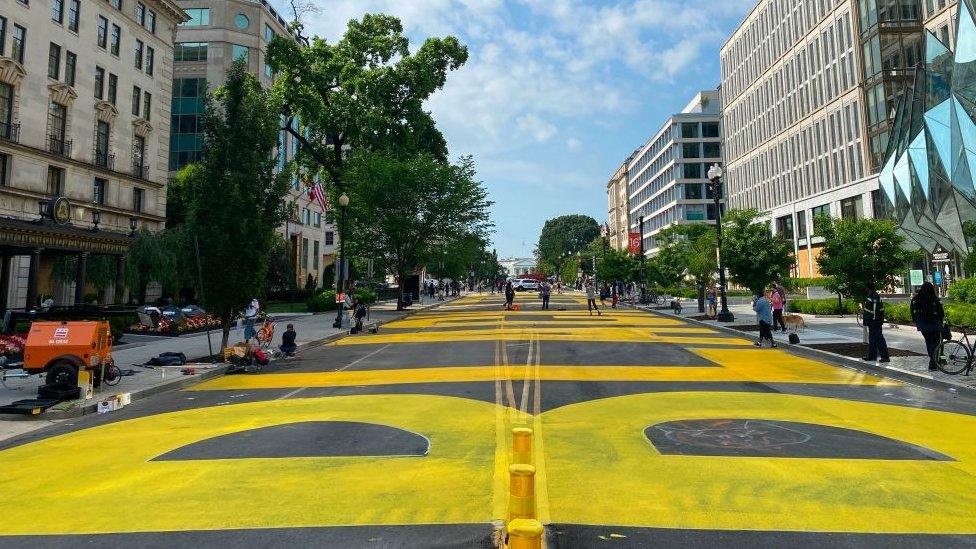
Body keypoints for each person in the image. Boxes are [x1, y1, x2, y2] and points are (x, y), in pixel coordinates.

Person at [911, 281, 945, 371]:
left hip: (923, 325)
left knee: (929, 343)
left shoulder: (915, 299)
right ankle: (933, 363)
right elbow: (941, 312)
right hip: (934, 324)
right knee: (935, 344)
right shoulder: (934, 299)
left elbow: (913, 313)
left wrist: (917, 321)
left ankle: (932, 361)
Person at [862, 285, 890, 363]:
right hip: (875, 322)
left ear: (868, 288)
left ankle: (885, 357)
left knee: (879, 339)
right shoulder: (874, 296)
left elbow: (874, 312)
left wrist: (869, 321)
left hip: (874, 322)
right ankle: (872, 356)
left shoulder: (873, 298)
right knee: (872, 339)